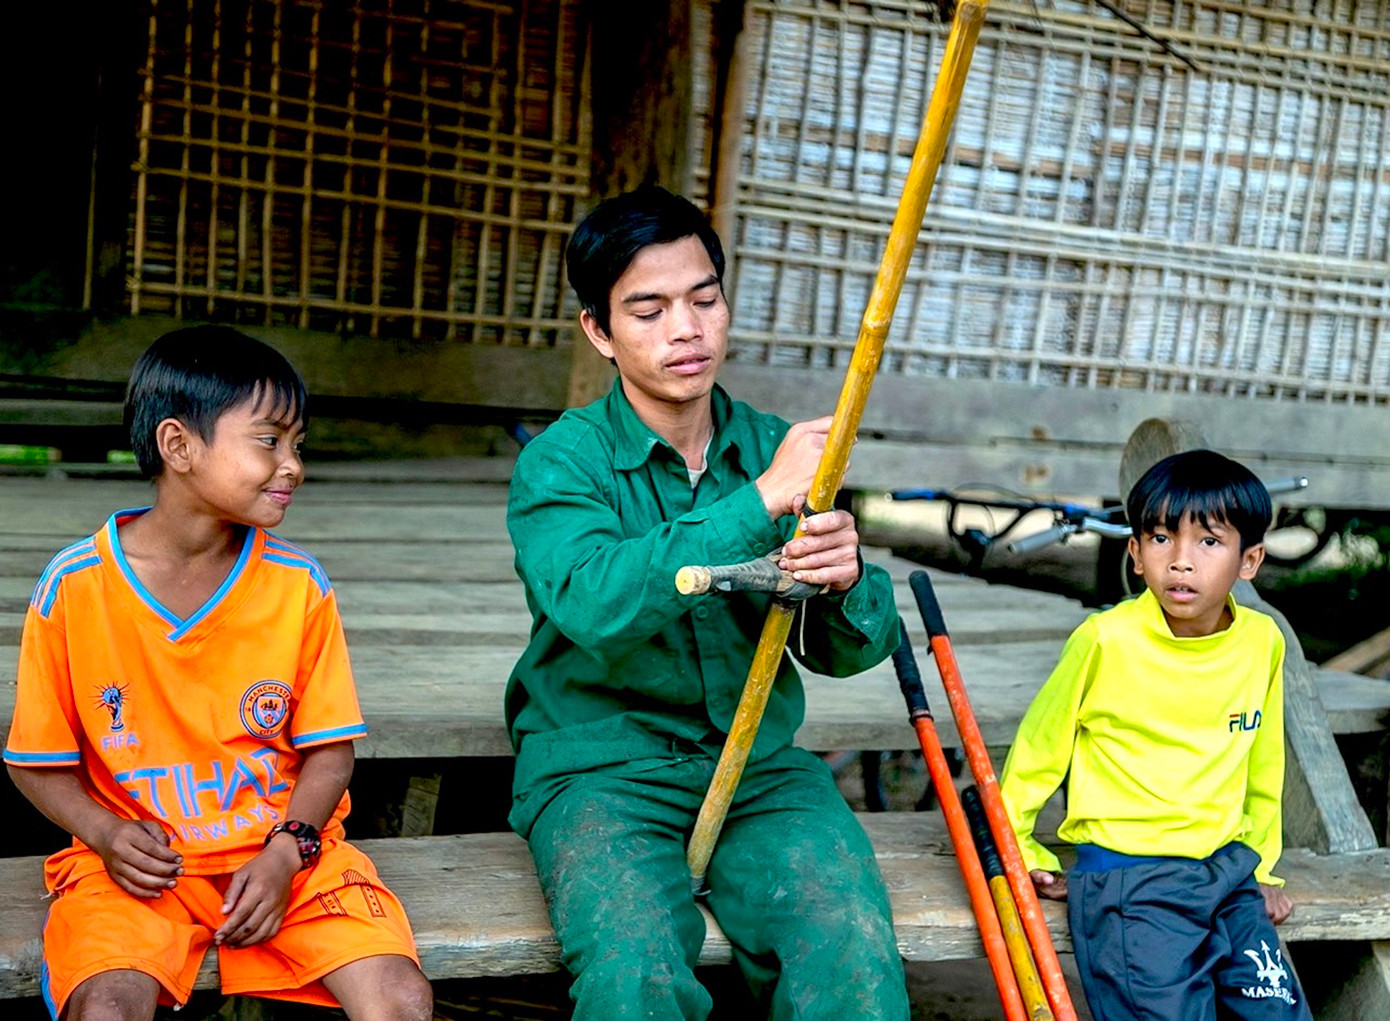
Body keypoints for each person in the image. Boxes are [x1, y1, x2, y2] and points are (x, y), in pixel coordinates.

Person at [504, 185, 909, 1019]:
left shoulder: (774, 447)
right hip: (603, 769)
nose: (685, 329)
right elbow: (594, 604)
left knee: (851, 947)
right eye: (648, 310)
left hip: (757, 764)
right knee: (633, 972)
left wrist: (844, 578)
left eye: (704, 299)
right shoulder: (560, 463)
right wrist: (757, 503)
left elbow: (840, 651)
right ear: (598, 331)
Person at [5, 326, 434, 1020]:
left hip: (285, 855)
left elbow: (329, 752)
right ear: (178, 446)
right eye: (269, 440)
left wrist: (288, 850)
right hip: (138, 871)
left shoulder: (298, 585)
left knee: (401, 996)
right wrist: (106, 833)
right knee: (107, 1006)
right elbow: (34, 761)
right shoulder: (74, 588)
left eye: (298, 444)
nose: (293, 466)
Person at [1000, 448, 1312, 1019]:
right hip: (1129, 878)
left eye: (1209, 541)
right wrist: (1018, 845)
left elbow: (1264, 762)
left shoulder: (1262, 641)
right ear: (1136, 555)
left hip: (1228, 873)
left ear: (1250, 560)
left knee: (1276, 1011)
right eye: (1162, 539)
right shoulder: (1105, 641)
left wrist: (1262, 866)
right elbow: (1038, 750)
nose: (1181, 562)